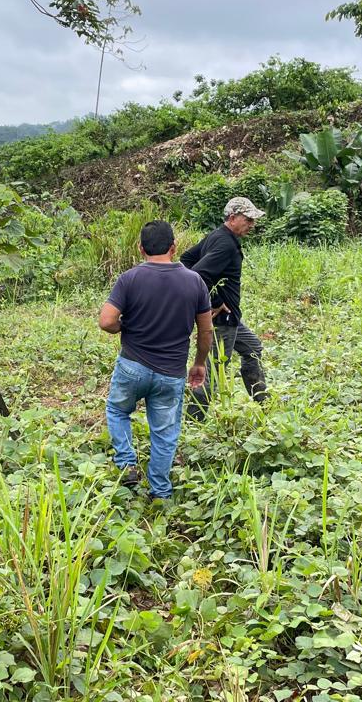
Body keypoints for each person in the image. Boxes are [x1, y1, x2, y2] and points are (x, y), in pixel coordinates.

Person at [98, 220, 213, 499]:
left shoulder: (129, 278)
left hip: (132, 366)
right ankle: (160, 492)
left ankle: (127, 464)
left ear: (140, 248)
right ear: (174, 247)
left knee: (117, 411)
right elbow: (206, 330)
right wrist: (199, 363)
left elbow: (106, 321)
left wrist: (124, 328)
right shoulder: (195, 281)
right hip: (171, 373)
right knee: (164, 434)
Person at [181, 196, 268, 417]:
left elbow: (186, 259)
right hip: (222, 320)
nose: (252, 224)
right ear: (232, 217)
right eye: (248, 219)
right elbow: (198, 274)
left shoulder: (218, 235)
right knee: (213, 370)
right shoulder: (225, 244)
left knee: (253, 348)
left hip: (232, 318)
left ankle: (262, 400)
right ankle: (194, 418)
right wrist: (216, 302)